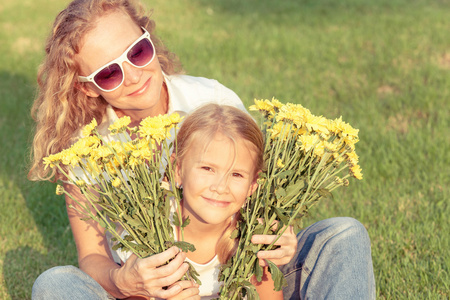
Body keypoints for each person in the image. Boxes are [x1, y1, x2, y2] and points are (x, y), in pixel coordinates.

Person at [29, 0, 375, 299]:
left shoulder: (212, 101)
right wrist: (123, 280)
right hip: (152, 294)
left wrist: (280, 236)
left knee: (343, 235)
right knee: (55, 284)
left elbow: (257, 196)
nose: (133, 75)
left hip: (240, 279)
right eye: (108, 74)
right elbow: (91, 257)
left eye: (137, 52)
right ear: (87, 88)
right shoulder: (84, 150)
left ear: (149, 38)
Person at [113, 103, 283, 299]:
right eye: (207, 169)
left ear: (252, 185)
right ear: (178, 170)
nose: (220, 187)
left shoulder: (255, 237)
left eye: (236, 174)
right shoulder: (149, 230)